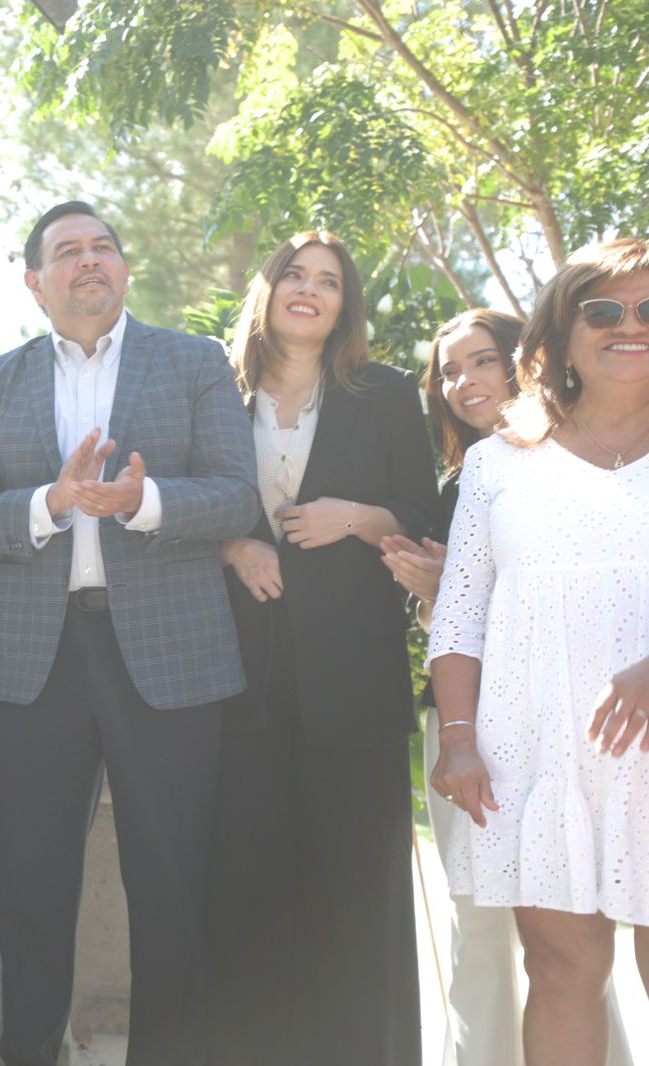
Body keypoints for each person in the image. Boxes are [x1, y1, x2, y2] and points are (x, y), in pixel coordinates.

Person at [0, 201, 259, 1066]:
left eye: (103, 247)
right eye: (68, 251)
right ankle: (30, 1053)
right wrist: (49, 502)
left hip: (171, 653)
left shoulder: (193, 362)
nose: (89, 260)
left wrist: (141, 502)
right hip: (38, 660)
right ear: (34, 282)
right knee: (31, 884)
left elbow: (238, 495)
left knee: (171, 878)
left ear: (123, 268)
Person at [207, 231, 437, 1065]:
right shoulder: (214, 391)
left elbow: (422, 516)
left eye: (329, 281)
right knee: (248, 888)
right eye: (294, 275)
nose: (309, 290)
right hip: (236, 681)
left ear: (346, 305)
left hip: (354, 683)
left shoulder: (388, 393)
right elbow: (179, 506)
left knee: (358, 890)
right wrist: (234, 546)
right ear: (266, 291)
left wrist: (354, 518)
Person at [383, 308, 636, 1066]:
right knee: (517, 946)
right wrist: (457, 727)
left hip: (610, 730)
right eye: (448, 372)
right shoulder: (471, 475)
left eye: (482, 361)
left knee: (577, 953)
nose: (463, 383)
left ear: (526, 357)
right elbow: (458, 615)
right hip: (492, 734)